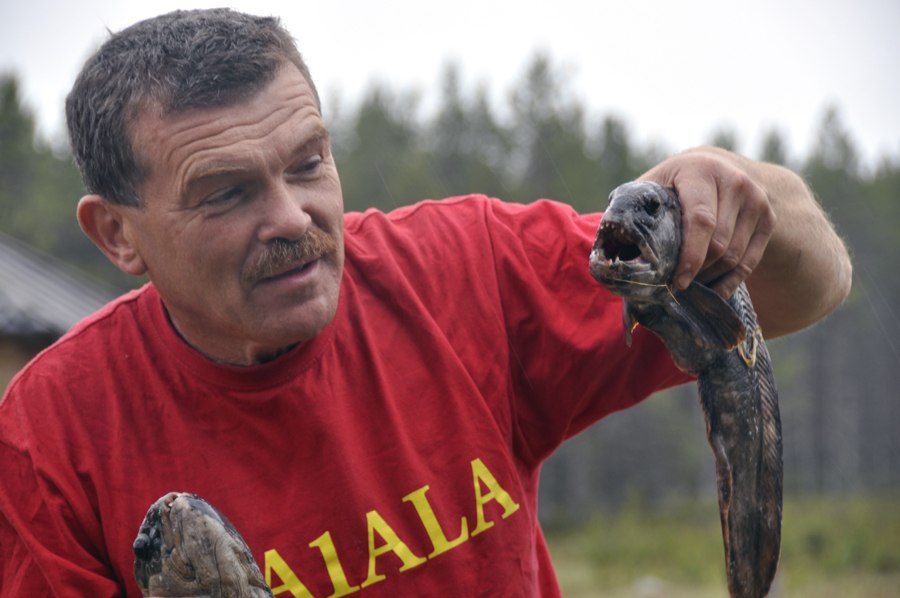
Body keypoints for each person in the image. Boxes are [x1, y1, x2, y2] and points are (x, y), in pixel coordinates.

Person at [0, 8, 851, 598]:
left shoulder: (462, 275)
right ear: (118, 235)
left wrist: (732, 190)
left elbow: (807, 287)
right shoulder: (54, 436)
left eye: (308, 163)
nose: (292, 218)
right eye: (226, 193)